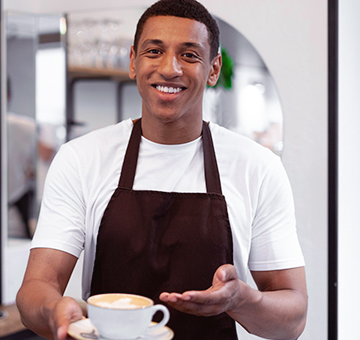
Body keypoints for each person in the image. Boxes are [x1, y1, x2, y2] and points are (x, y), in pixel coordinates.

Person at [16, 0, 307, 339]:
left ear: (213, 69)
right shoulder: (81, 158)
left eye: (189, 55)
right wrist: (54, 310)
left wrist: (241, 299)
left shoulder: (257, 167)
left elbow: (293, 320)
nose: (170, 68)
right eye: (154, 51)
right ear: (133, 62)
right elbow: (36, 288)